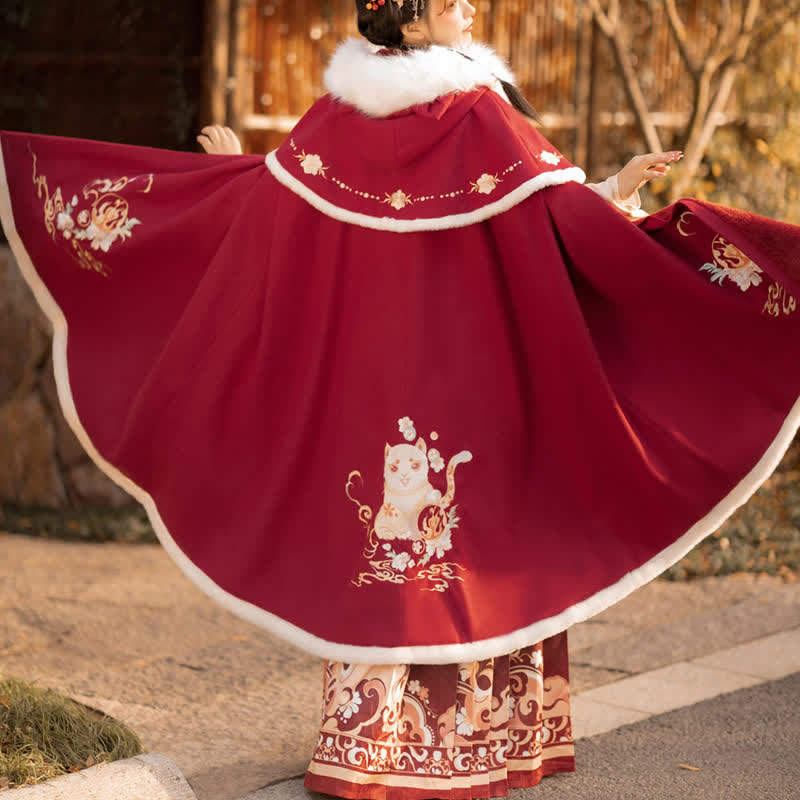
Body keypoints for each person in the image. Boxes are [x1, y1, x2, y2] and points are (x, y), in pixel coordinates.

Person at [1, 0, 799, 797]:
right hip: (479, 375)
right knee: (478, 535)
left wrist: (232, 169)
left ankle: (368, 744)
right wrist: (618, 194)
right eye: (454, 1)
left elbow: (270, 210)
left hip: (376, 384)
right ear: (412, 26)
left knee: (384, 554)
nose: (473, 9)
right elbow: (564, 228)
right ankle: (481, 739)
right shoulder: (480, 114)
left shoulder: (337, 119)